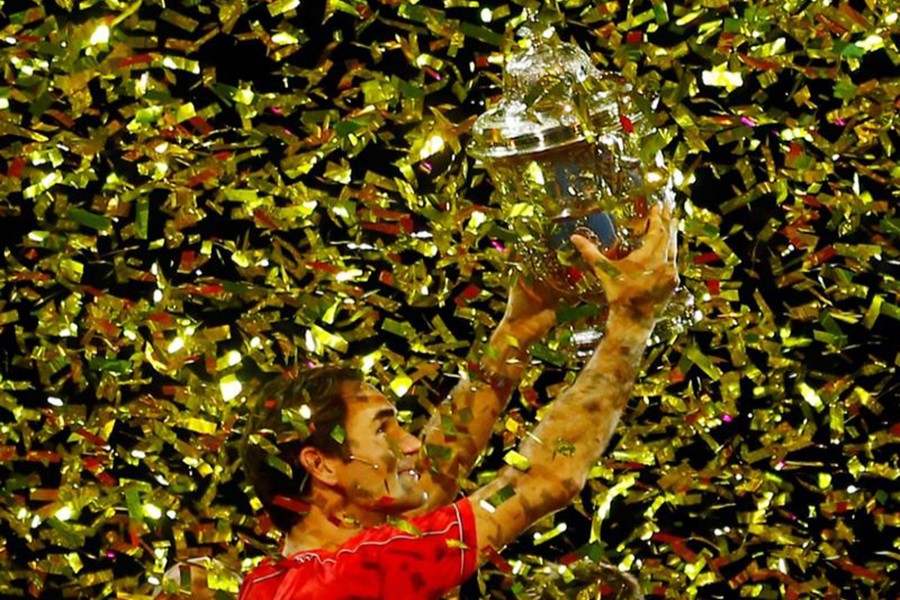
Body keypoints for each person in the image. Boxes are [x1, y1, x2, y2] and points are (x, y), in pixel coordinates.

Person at [237, 203, 678, 600]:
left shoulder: (280, 577)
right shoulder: (351, 578)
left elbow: (434, 472)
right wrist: (632, 320)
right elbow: (548, 478)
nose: (411, 444)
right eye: (382, 429)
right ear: (321, 464)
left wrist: (517, 332)